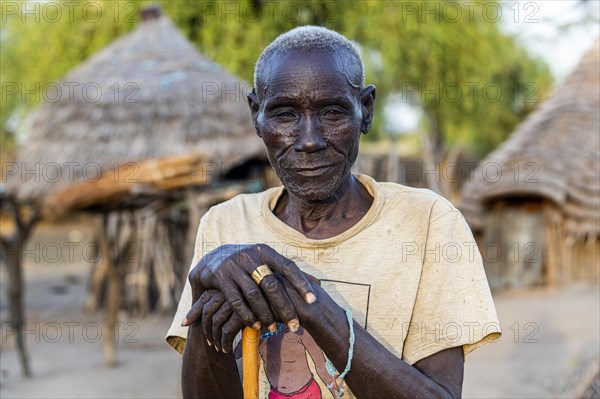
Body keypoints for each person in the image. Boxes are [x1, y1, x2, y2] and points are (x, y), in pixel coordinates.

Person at [166, 26, 501, 399]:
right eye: (285, 115)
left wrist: (309, 302)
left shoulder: (427, 223)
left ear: (366, 111)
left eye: (331, 112)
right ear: (256, 117)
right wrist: (204, 297)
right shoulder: (225, 224)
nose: (309, 139)